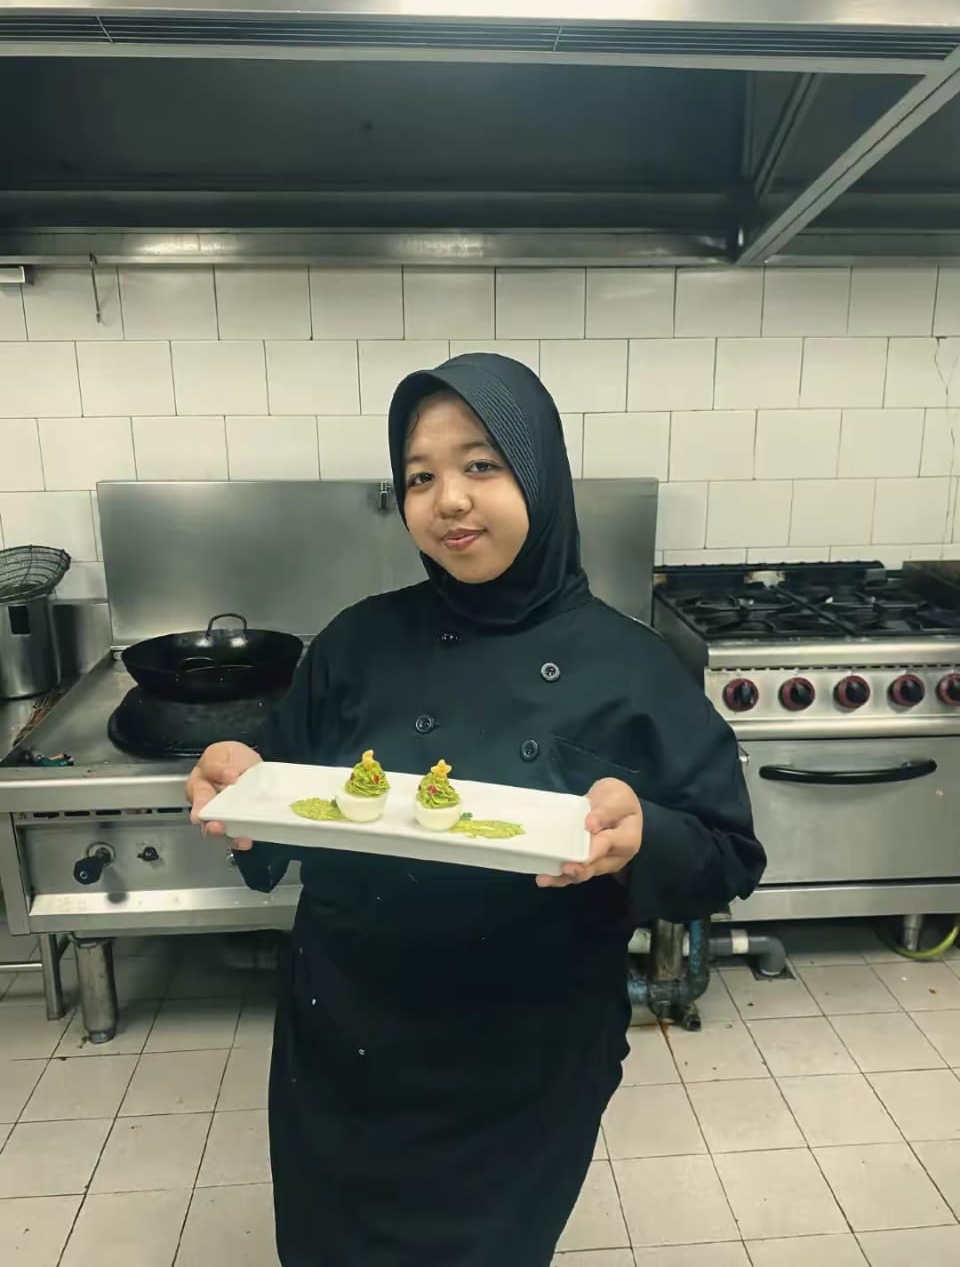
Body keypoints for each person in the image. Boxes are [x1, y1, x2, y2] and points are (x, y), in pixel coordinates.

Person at [187, 353, 765, 1267]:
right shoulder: (358, 641)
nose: (448, 500)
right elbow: (279, 784)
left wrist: (645, 834)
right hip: (344, 1035)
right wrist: (239, 778)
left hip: (526, 1051)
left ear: (542, 475)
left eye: (482, 465)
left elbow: (726, 853)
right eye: (420, 477)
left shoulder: (633, 666)